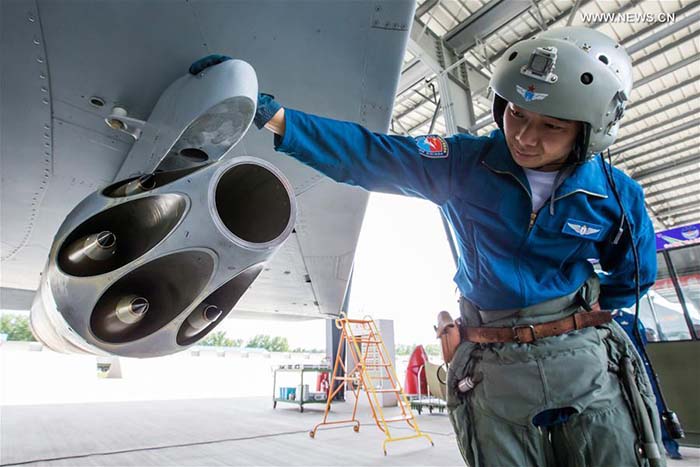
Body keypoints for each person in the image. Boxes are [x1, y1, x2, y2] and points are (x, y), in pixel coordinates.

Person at [191, 26, 665, 466]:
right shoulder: (463, 163)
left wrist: (572, 317)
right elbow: (372, 155)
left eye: (551, 127)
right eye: (517, 114)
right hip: (492, 365)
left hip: (581, 364)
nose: (524, 137)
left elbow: (632, 277)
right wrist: (275, 117)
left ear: (590, 131)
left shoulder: (617, 195)